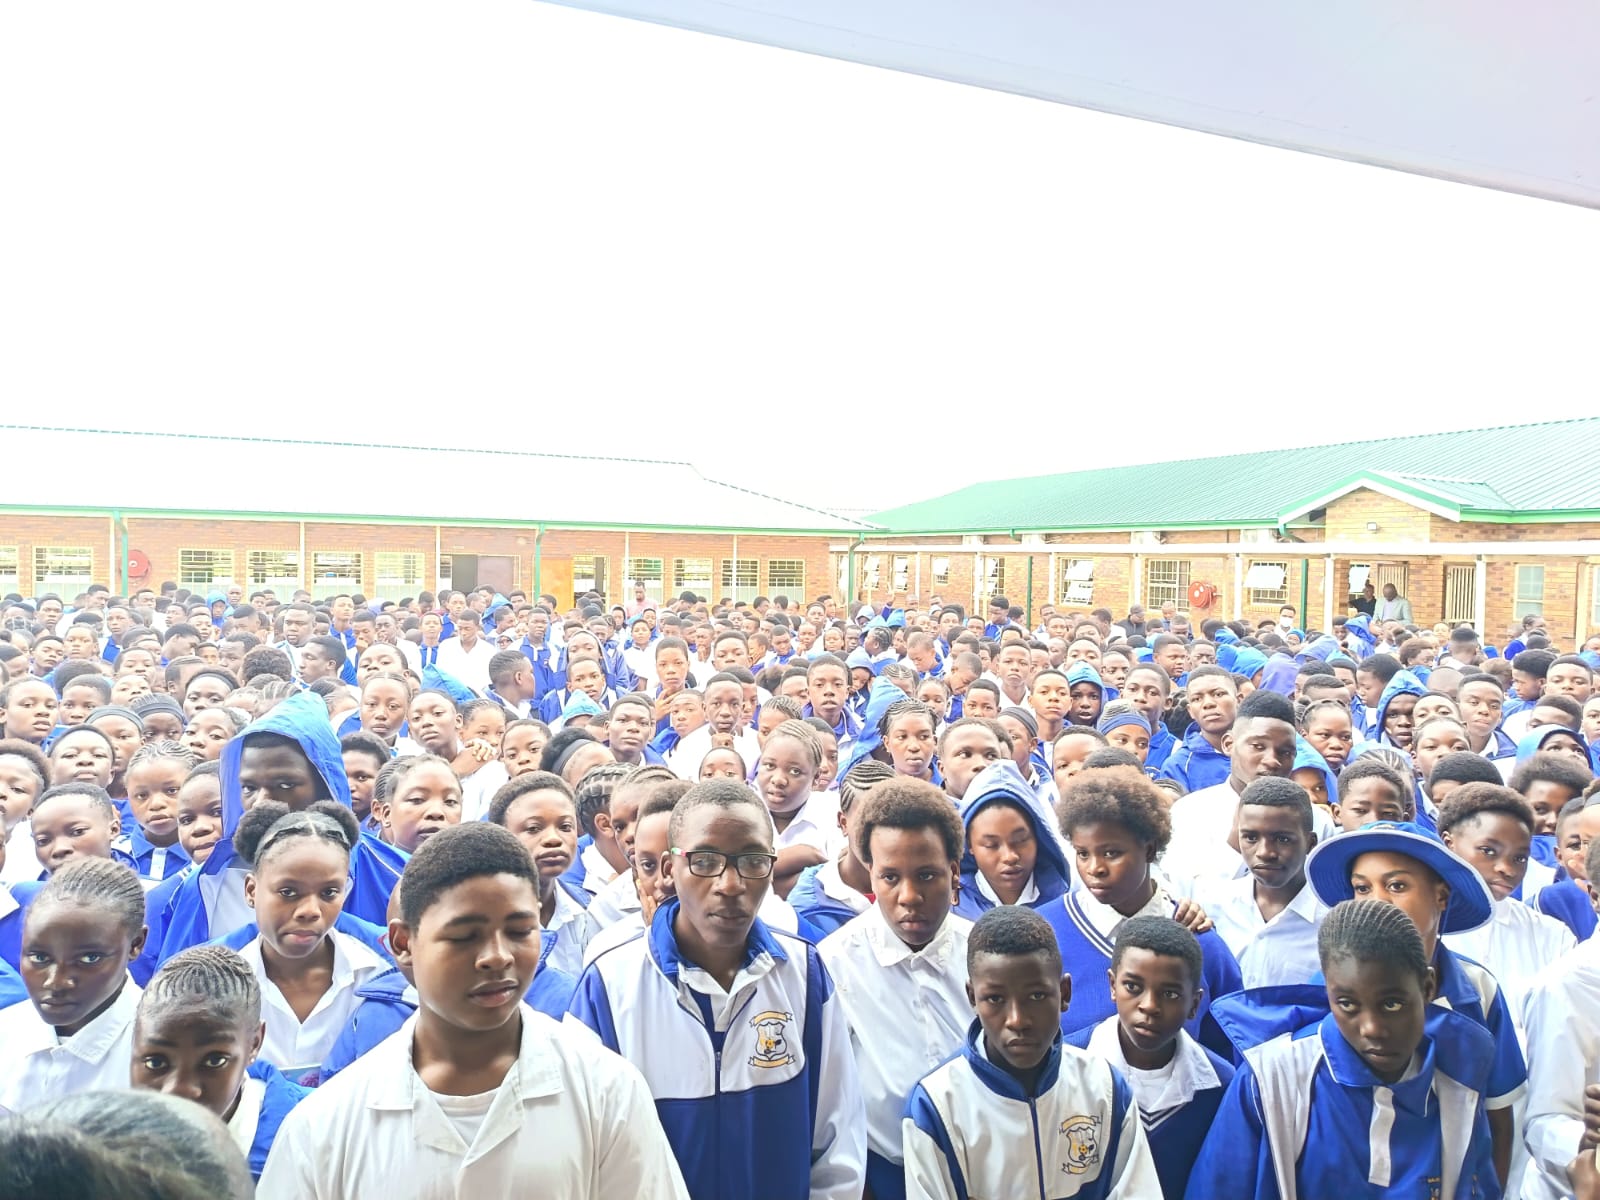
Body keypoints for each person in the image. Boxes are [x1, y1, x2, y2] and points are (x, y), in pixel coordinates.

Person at [261, 822, 689, 1198]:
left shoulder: (605, 1091)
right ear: (402, 944)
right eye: (465, 936)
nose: (498, 957)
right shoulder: (327, 1124)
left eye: (520, 931)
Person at [567, 779, 865, 1199]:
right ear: (671, 869)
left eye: (752, 861)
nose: (729, 884)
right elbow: (584, 1148)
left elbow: (837, 1137)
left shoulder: (804, 975)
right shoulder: (610, 985)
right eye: (705, 861)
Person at [1190, 900, 1499, 1198]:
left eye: (1392, 1004)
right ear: (1328, 993)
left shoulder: (1459, 1083)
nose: (1372, 1028)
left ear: (1428, 988)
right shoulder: (1272, 1080)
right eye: (1348, 1004)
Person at [1305, 819, 1526, 1184]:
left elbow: (1498, 1116)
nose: (1377, 901)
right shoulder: (1325, 990)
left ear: (1441, 895)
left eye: (1396, 885)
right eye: (1362, 888)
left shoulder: (1477, 988)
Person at [903, 906, 1161, 1199]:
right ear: (973, 998)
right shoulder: (937, 1105)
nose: (1017, 1020)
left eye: (1037, 996)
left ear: (1064, 993)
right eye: (995, 999)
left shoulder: (1105, 1089)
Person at [158, 691, 406, 961]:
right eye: (249, 788)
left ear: (327, 786)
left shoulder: (394, 875)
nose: (262, 802)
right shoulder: (208, 882)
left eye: (285, 785)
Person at [818, 777, 973, 1200]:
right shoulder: (833, 964)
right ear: (870, 873)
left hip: (980, 1172)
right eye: (890, 877)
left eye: (927, 876)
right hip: (883, 1176)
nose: (909, 896)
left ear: (954, 872)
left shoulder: (982, 954)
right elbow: (828, 1099)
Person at [1043, 766, 1241, 1055]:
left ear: (1149, 850)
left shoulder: (1197, 938)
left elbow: (1228, 1046)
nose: (1094, 868)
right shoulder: (1047, 931)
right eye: (1083, 853)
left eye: (1111, 853)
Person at [218, 799, 390, 1086]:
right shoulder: (214, 981)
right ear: (251, 890)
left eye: (329, 892)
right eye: (288, 891)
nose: (310, 910)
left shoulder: (380, 974)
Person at [1063, 917, 1234, 1199]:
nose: (1150, 1006)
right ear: (1112, 985)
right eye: (1133, 986)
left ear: (1194, 1004)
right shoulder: (1065, 1066)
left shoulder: (1220, 1087)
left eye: (1170, 993)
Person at [130, 944, 309, 1181]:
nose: (180, 1088)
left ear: (254, 1043)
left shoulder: (316, 1136)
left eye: (214, 1061)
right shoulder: (104, 1151)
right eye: (155, 1063)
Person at [0, 858, 147, 1114]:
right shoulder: (7, 1029)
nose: (56, 982)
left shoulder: (165, 1051)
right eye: (39, 958)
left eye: (89, 959)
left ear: (136, 944)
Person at [1436, 783, 1575, 1033]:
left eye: (1519, 858)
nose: (1507, 869)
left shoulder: (1551, 935)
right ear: (1449, 843)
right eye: (1488, 851)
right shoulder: (1422, 928)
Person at [1189, 776, 1325, 989]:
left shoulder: (1331, 921)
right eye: (1251, 838)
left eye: (1283, 839)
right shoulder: (1210, 907)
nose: (1265, 853)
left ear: (1310, 843)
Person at [951, 759, 1071, 920]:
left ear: (1038, 837)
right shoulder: (951, 909)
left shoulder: (1065, 904)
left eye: (1021, 840)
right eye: (991, 845)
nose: (1010, 856)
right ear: (969, 845)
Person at [1158, 667, 1237, 792]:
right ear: (1190, 711)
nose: (1208, 704)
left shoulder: (1263, 748)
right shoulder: (1178, 766)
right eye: (1197, 699)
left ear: (1238, 700)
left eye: (1218, 694)